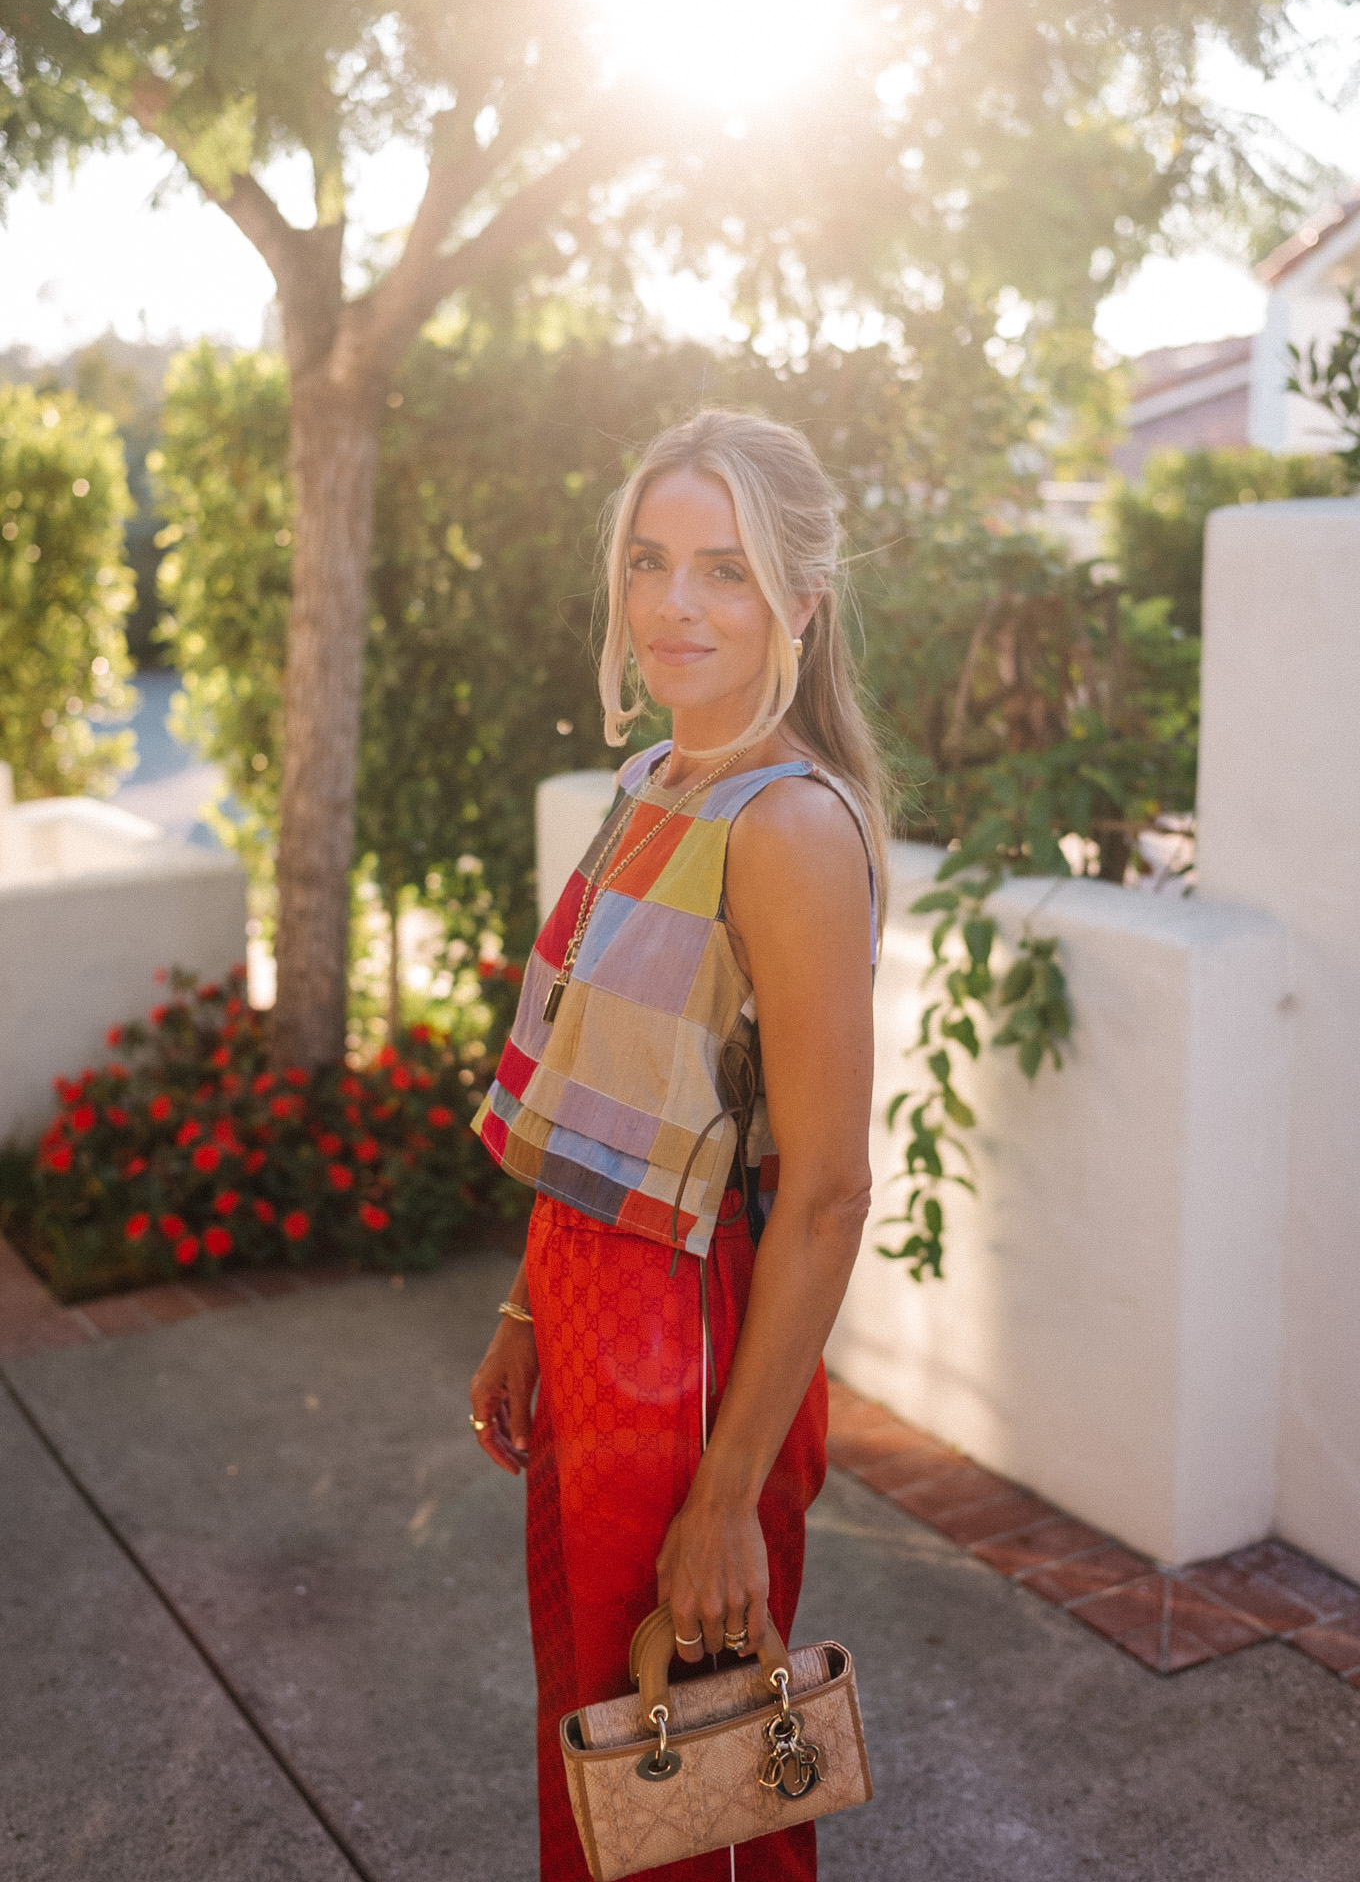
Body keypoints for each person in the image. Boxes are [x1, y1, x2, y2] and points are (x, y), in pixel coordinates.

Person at [468, 409, 887, 1881]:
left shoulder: (789, 830)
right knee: (599, 1746)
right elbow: (592, 1092)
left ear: (799, 600)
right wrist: (529, 1303)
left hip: (690, 1352)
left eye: (725, 570)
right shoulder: (650, 785)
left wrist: (723, 1499)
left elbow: (830, 1193)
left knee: (691, 1785)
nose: (674, 607)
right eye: (652, 564)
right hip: (589, 1327)